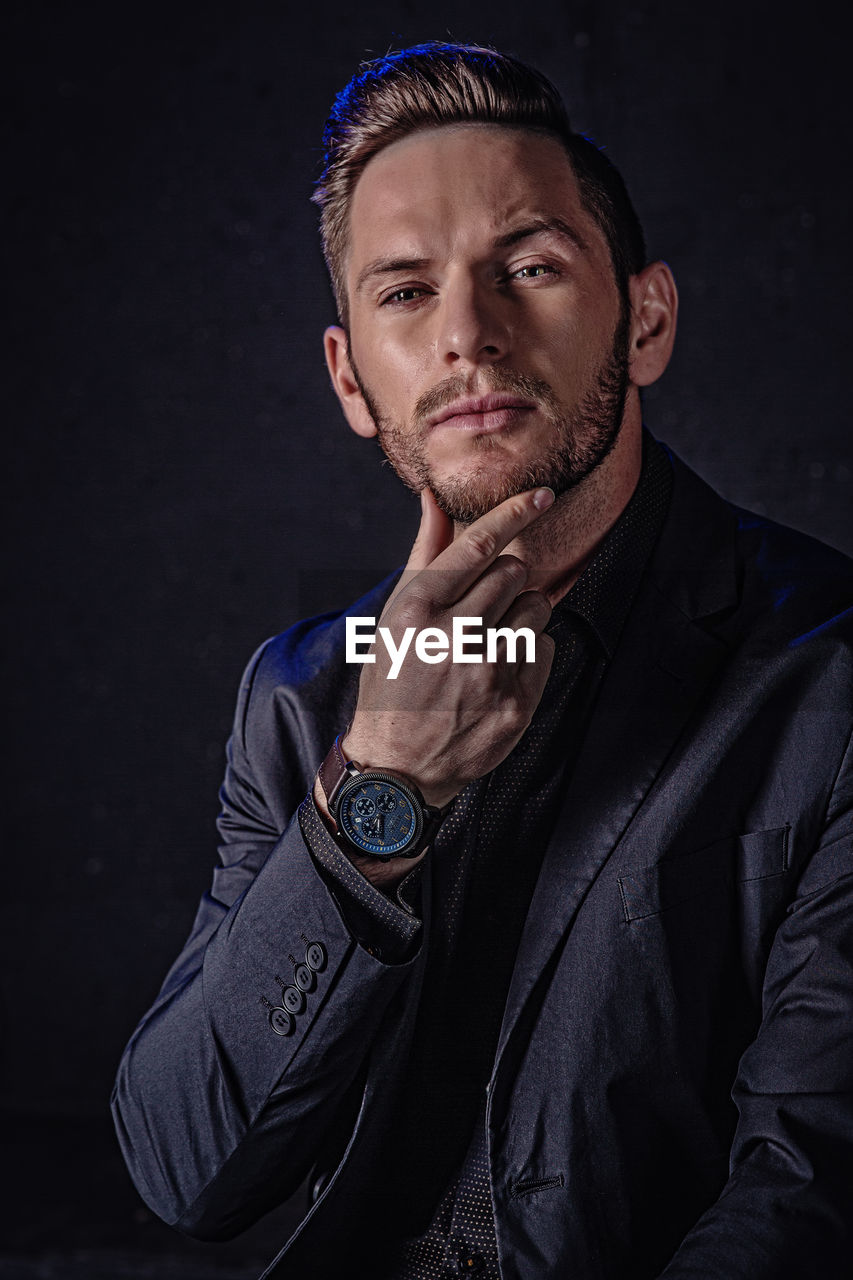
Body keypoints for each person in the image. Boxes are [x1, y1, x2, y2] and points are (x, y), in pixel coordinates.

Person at [111, 42, 853, 1279]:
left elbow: (810, 1190)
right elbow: (189, 1164)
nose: (469, 333)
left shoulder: (827, 674)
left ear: (647, 317)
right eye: (404, 292)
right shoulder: (299, 697)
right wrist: (378, 795)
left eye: (531, 266)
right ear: (353, 379)